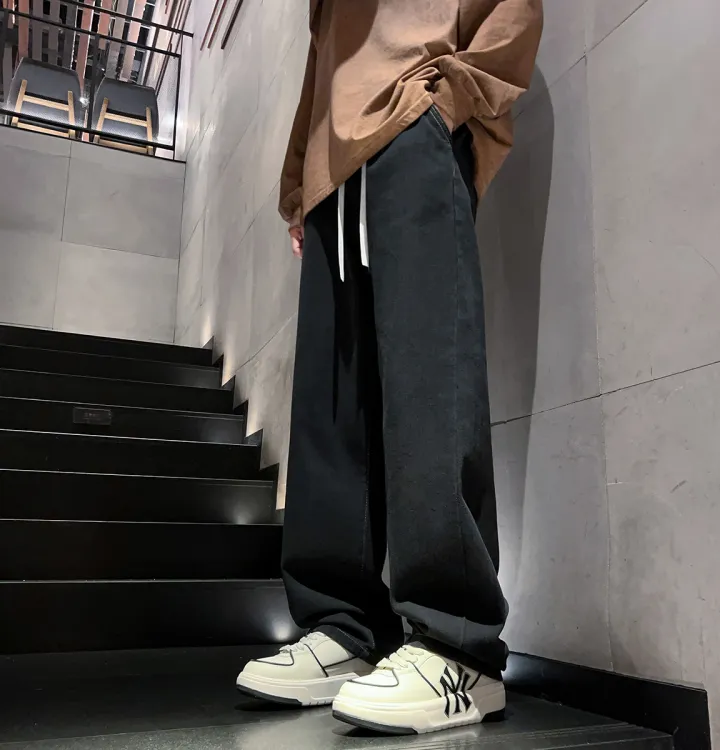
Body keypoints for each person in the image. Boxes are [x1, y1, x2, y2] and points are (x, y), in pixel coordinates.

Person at [237, 0, 542, 735]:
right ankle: (344, 629)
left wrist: (452, 101)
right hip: (330, 172)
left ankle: (458, 644)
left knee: (429, 380)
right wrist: (298, 183)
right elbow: (321, 62)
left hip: (414, 120)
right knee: (330, 410)